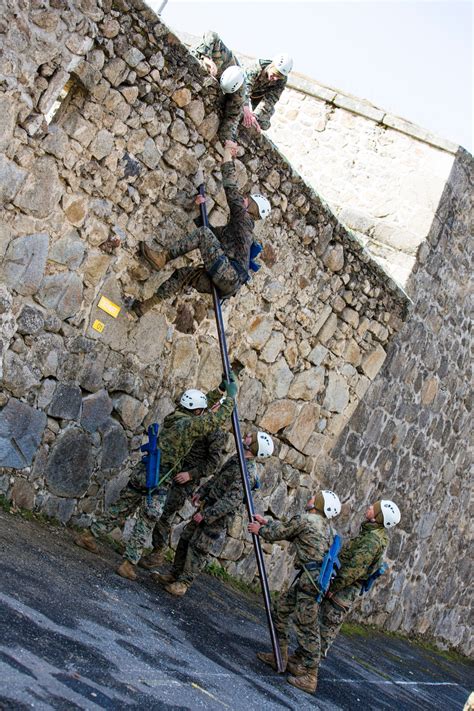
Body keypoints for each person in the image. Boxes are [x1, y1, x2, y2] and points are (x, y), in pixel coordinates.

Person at [74, 377, 238, 579]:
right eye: (201, 411)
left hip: (145, 469)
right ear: (197, 412)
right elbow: (212, 420)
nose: (202, 413)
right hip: (158, 477)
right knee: (149, 518)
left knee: (121, 508)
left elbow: (199, 406)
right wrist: (230, 397)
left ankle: (89, 535)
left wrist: (219, 390)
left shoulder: (176, 415)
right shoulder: (188, 426)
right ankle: (128, 563)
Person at [131, 144, 271, 315]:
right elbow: (211, 233)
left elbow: (230, 187)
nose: (243, 199)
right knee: (183, 275)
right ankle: (143, 307)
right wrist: (200, 210)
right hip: (226, 284)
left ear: (252, 208)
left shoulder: (243, 218)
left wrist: (227, 152)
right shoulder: (238, 230)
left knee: (204, 235)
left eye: (247, 200)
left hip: (229, 274)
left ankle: (163, 257)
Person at [151, 431, 274, 597]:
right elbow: (218, 478)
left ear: (254, 446)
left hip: (217, 517)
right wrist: (202, 492)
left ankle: (183, 583)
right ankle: (174, 574)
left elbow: (231, 501)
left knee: (199, 548)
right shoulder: (237, 459)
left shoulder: (248, 473)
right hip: (208, 506)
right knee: (186, 539)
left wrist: (207, 515)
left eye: (250, 437)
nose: (246, 435)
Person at [248, 489, 341, 695]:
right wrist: (266, 523)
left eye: (314, 497)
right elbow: (292, 533)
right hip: (313, 580)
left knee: (306, 626)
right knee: (280, 609)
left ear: (319, 504)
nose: (310, 498)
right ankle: (279, 655)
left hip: (310, 581)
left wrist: (260, 529)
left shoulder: (307, 519)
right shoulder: (328, 529)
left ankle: (310, 676)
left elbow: (281, 533)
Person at [319, 499, 401, 658]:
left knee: (324, 631)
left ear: (378, 516)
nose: (370, 506)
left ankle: (308, 675)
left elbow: (353, 570)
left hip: (341, 593)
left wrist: (332, 587)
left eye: (374, 507)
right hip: (342, 590)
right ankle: (302, 665)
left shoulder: (372, 540)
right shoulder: (371, 533)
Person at [139, 425, 227, 570]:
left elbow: (213, 464)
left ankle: (157, 553)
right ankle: (136, 548)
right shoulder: (197, 420)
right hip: (170, 469)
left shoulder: (216, 433)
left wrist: (190, 475)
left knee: (164, 514)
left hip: (184, 481)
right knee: (151, 506)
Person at [193, 30, 246, 145]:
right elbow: (211, 33)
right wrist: (206, 57)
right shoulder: (226, 57)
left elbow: (232, 118)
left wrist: (227, 142)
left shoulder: (239, 93)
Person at [243, 54, 293, 132]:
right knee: (239, 107)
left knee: (263, 122)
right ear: (271, 65)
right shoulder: (256, 67)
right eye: (275, 73)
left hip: (258, 95)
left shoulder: (281, 80)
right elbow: (245, 87)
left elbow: (271, 99)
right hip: (242, 88)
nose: (276, 78)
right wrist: (245, 107)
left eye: (279, 76)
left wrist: (255, 116)